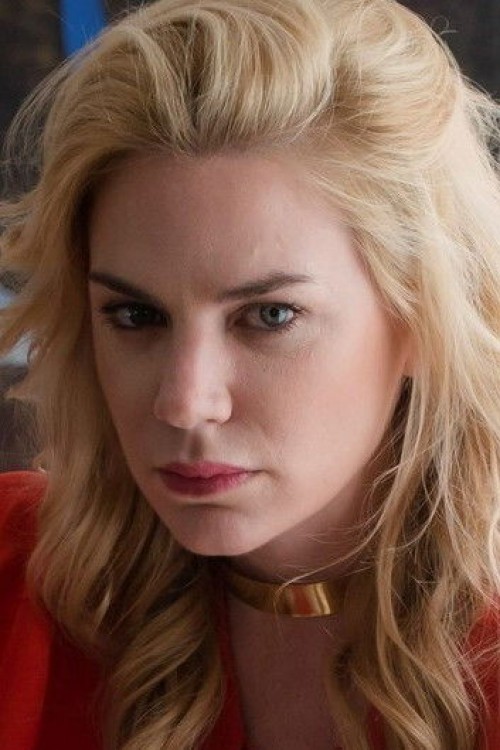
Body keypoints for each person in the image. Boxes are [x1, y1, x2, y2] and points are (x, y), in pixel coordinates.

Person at [1, 0, 500, 748]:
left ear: (425, 317)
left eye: (269, 316)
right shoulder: (20, 585)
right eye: (136, 316)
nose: (184, 402)